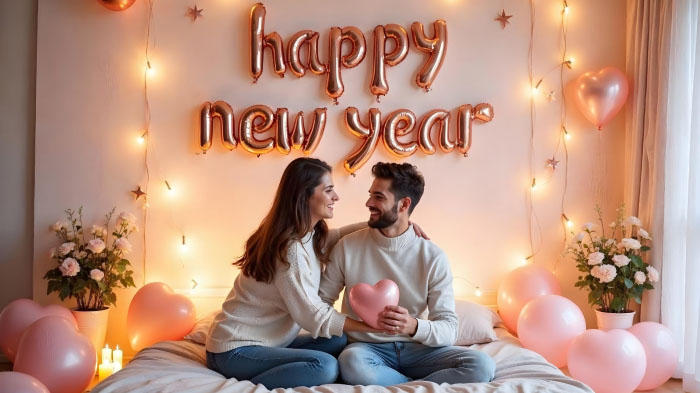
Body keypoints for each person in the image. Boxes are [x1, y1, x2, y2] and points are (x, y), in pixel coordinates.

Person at [205, 158, 426, 389]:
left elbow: (340, 234)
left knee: (339, 339)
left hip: (272, 343)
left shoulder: (307, 236)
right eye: (328, 190)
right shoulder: (290, 249)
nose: (336, 197)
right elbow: (313, 317)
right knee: (324, 366)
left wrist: (401, 222)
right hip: (235, 350)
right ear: (305, 195)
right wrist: (371, 327)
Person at [319, 162, 496, 386]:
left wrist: (413, 325)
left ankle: (397, 385)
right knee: (350, 362)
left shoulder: (433, 257)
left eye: (378, 197)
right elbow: (322, 303)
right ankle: (416, 386)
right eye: (370, 195)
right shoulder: (347, 246)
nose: (368, 203)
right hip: (367, 350)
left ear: (404, 204)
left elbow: (449, 328)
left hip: (419, 350)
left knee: (482, 366)